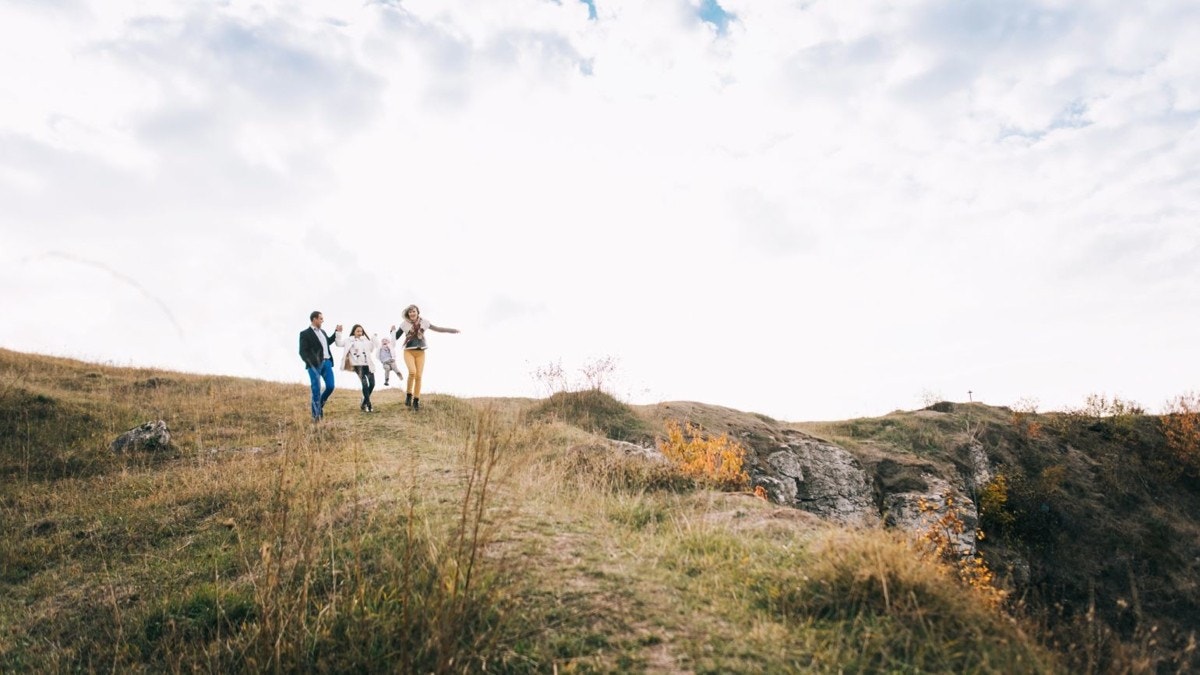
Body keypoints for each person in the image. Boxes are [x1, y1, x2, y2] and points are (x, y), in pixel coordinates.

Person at [394, 304, 460, 412]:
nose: (412, 313)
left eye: (414, 311)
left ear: (417, 312)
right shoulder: (404, 324)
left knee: (419, 376)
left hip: (421, 352)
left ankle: (416, 400)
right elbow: (395, 337)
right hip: (408, 351)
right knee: (412, 372)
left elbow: (438, 329)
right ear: (408, 314)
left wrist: (452, 330)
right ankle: (409, 395)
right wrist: (392, 331)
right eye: (410, 312)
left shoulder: (424, 322)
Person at [299, 311, 343, 421]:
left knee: (330, 386)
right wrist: (311, 362)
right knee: (316, 390)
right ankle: (316, 417)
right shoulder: (305, 333)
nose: (322, 321)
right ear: (314, 319)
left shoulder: (323, 332)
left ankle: (319, 406)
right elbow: (302, 352)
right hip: (314, 365)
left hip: (327, 363)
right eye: (321, 319)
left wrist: (336, 332)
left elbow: (328, 342)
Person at [343, 324, 378, 412]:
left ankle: (364, 402)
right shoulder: (350, 340)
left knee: (372, 384)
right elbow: (338, 343)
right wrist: (338, 333)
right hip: (358, 366)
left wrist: (374, 339)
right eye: (358, 331)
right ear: (354, 332)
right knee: (364, 383)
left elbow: (372, 349)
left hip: (367, 365)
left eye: (361, 331)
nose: (360, 333)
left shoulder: (365, 340)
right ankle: (368, 404)